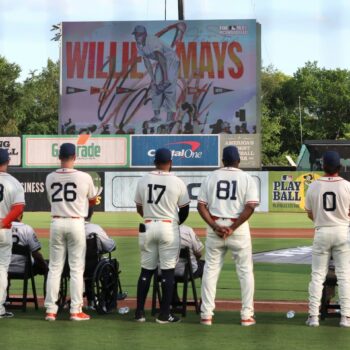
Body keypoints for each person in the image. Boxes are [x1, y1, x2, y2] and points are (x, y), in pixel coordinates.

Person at [197, 145, 259, 326]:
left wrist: (215, 226)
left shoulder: (211, 176)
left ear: (222, 161)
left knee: (210, 271)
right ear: (238, 161)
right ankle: (246, 316)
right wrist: (233, 227)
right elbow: (250, 206)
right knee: (245, 271)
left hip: (215, 226)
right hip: (238, 229)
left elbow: (201, 206)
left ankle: (206, 315)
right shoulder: (246, 178)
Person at [134, 147, 190, 324]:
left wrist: (151, 217)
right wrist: (174, 223)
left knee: (145, 271)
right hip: (168, 227)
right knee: (168, 272)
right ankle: (165, 314)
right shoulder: (177, 181)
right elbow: (185, 210)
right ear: (170, 163)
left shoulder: (143, 180)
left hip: (148, 225)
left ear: (155, 162)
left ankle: (139, 313)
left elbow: (139, 207)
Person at [44, 143, 97, 322]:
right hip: (76, 223)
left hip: (57, 221)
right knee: (76, 269)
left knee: (55, 268)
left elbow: (51, 200)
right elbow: (92, 201)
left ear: (59, 157)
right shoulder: (84, 177)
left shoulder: (50, 177)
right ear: (74, 157)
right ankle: (75, 310)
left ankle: (51, 310)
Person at [305, 151, 350, 327]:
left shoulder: (314, 186)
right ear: (339, 167)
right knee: (345, 275)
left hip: (322, 231)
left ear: (323, 166)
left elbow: (310, 213)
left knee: (317, 275)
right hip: (342, 232)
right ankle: (346, 317)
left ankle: (313, 317)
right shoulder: (347, 185)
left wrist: (321, 219)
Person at [132, 25, 179, 124]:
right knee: (155, 87)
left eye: (139, 35)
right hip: (161, 61)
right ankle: (157, 116)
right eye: (136, 35)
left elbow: (162, 59)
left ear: (144, 35)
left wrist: (165, 79)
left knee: (169, 88)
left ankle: (170, 119)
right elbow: (147, 62)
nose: (137, 37)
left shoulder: (152, 42)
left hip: (170, 60)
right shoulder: (139, 44)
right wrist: (152, 79)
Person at [0, 148, 25, 319]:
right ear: (7, 162)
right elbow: (19, 208)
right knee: (1, 269)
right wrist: (4, 221)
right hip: (3, 230)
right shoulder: (14, 182)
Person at [84, 209, 116, 309]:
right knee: (111, 263)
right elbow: (109, 246)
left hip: (70, 266)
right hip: (91, 266)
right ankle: (106, 300)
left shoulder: (70, 229)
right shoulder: (94, 228)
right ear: (91, 214)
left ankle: (89, 301)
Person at [173, 224, 204, 304]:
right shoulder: (187, 230)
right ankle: (204, 302)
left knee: (171, 266)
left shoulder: (161, 229)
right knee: (206, 265)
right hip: (187, 272)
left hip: (164, 273)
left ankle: (173, 299)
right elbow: (198, 253)